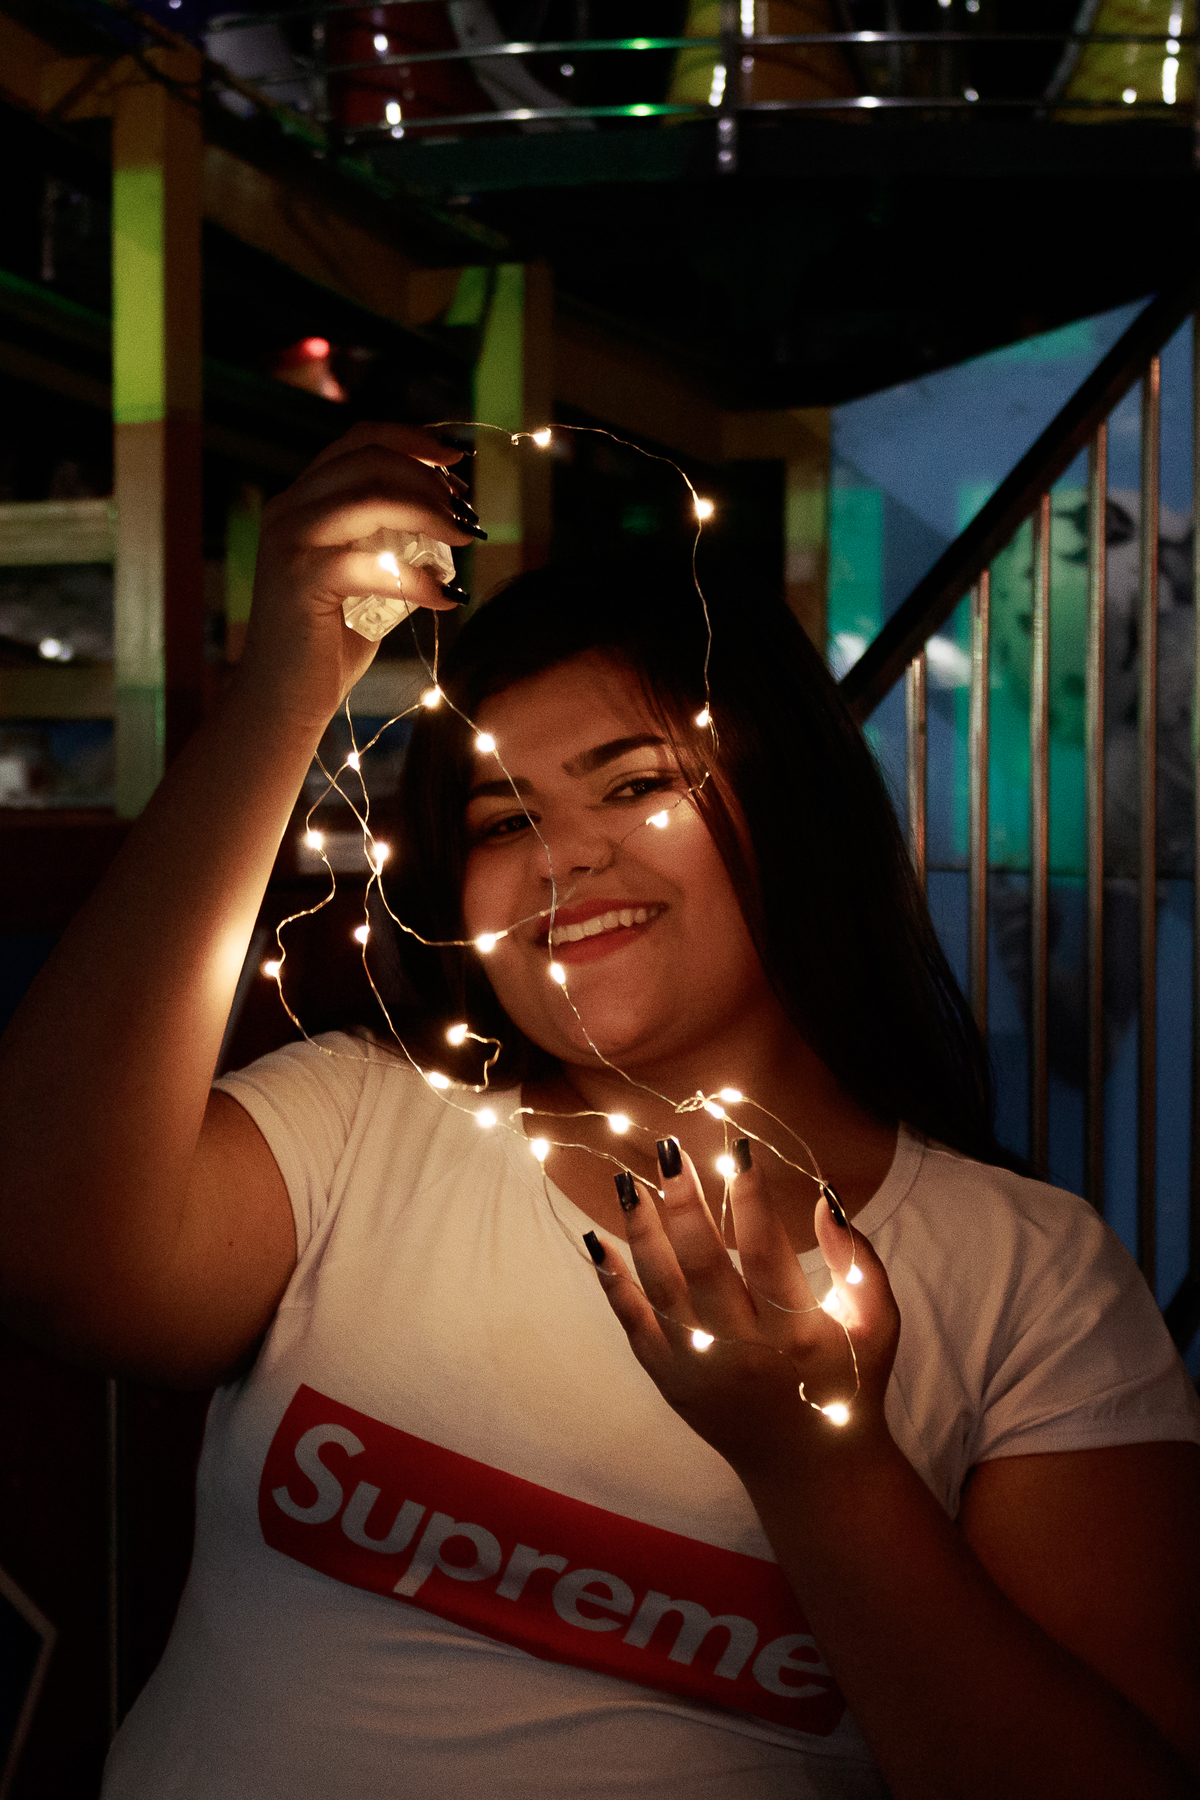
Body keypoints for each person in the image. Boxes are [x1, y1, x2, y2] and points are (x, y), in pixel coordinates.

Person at [1, 423, 1198, 1800]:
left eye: (636, 784)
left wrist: (819, 1466)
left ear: (793, 810)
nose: (564, 858)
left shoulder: (1030, 1279)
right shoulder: (363, 1123)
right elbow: (41, 1245)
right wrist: (286, 690)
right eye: (504, 820)